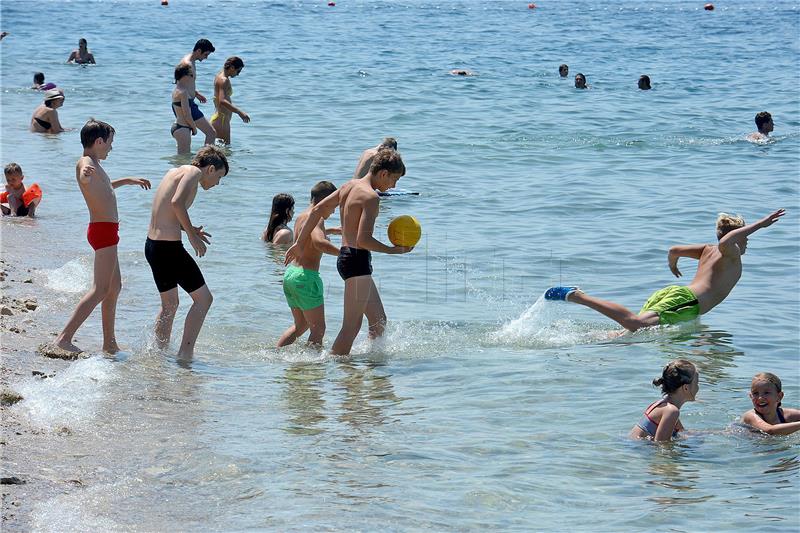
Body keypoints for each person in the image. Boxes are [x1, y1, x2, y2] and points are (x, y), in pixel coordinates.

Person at [545, 209, 786, 331]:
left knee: (632, 335)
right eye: (745, 238)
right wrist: (760, 225)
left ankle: (577, 335)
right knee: (636, 324)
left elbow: (674, 250)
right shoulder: (729, 253)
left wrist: (673, 265)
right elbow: (726, 242)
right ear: (737, 238)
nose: (747, 243)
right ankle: (578, 296)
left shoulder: (707, 249)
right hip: (686, 302)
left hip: (679, 297)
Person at [285, 149, 413, 356]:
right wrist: (393, 251)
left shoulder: (348, 186)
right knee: (351, 327)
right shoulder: (371, 197)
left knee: (379, 320)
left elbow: (317, 210)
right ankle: (333, 369)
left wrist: (299, 243)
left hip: (349, 258)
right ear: (383, 174)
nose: (394, 186)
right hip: (356, 260)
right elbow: (364, 240)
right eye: (394, 180)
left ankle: (373, 365)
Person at [53, 119, 151, 354]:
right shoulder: (85, 163)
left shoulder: (95, 163)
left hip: (107, 231)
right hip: (102, 231)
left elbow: (105, 186)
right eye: (110, 143)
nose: (111, 147)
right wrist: (85, 175)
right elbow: (85, 179)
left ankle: (109, 343)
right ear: (98, 141)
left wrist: (127, 180)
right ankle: (63, 338)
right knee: (100, 288)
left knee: (114, 287)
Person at [144, 146, 228, 359]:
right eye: (219, 177)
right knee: (204, 300)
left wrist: (189, 229)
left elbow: (166, 211)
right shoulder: (194, 173)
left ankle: (158, 353)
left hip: (153, 246)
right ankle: (185, 354)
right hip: (169, 249)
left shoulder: (175, 171)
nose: (218, 183)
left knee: (170, 305)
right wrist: (190, 235)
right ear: (210, 169)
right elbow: (176, 203)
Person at [277, 181, 340, 348]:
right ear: (325, 201)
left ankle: (275, 354)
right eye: (333, 205)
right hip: (306, 278)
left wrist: (331, 230)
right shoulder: (317, 218)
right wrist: (345, 253)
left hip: (291, 275)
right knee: (318, 329)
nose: (334, 211)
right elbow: (319, 243)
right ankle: (311, 369)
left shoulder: (302, 216)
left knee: (301, 326)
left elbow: (307, 237)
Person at [631, 360, 699, 441]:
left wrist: (713, 433)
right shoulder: (671, 411)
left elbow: (683, 433)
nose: (698, 387)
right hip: (636, 451)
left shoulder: (664, 405)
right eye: (696, 383)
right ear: (686, 388)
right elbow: (662, 446)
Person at [177, 39, 216, 145]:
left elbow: (185, 84)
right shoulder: (187, 64)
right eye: (206, 54)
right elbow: (180, 86)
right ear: (199, 51)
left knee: (186, 137)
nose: (206, 57)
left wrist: (196, 94)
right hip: (186, 104)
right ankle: (206, 159)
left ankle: (195, 159)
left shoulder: (191, 61)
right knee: (211, 133)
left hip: (188, 102)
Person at [210, 56, 250, 144]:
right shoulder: (223, 80)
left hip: (221, 119)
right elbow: (222, 100)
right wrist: (239, 112)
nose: (238, 74)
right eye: (238, 71)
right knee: (225, 152)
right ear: (232, 68)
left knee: (219, 151)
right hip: (221, 120)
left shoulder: (220, 76)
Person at [170, 64, 197, 154]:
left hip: (177, 126)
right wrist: (194, 128)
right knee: (184, 160)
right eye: (191, 75)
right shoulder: (183, 92)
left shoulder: (176, 90)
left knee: (181, 159)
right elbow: (187, 114)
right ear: (185, 76)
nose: (192, 78)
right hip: (183, 128)